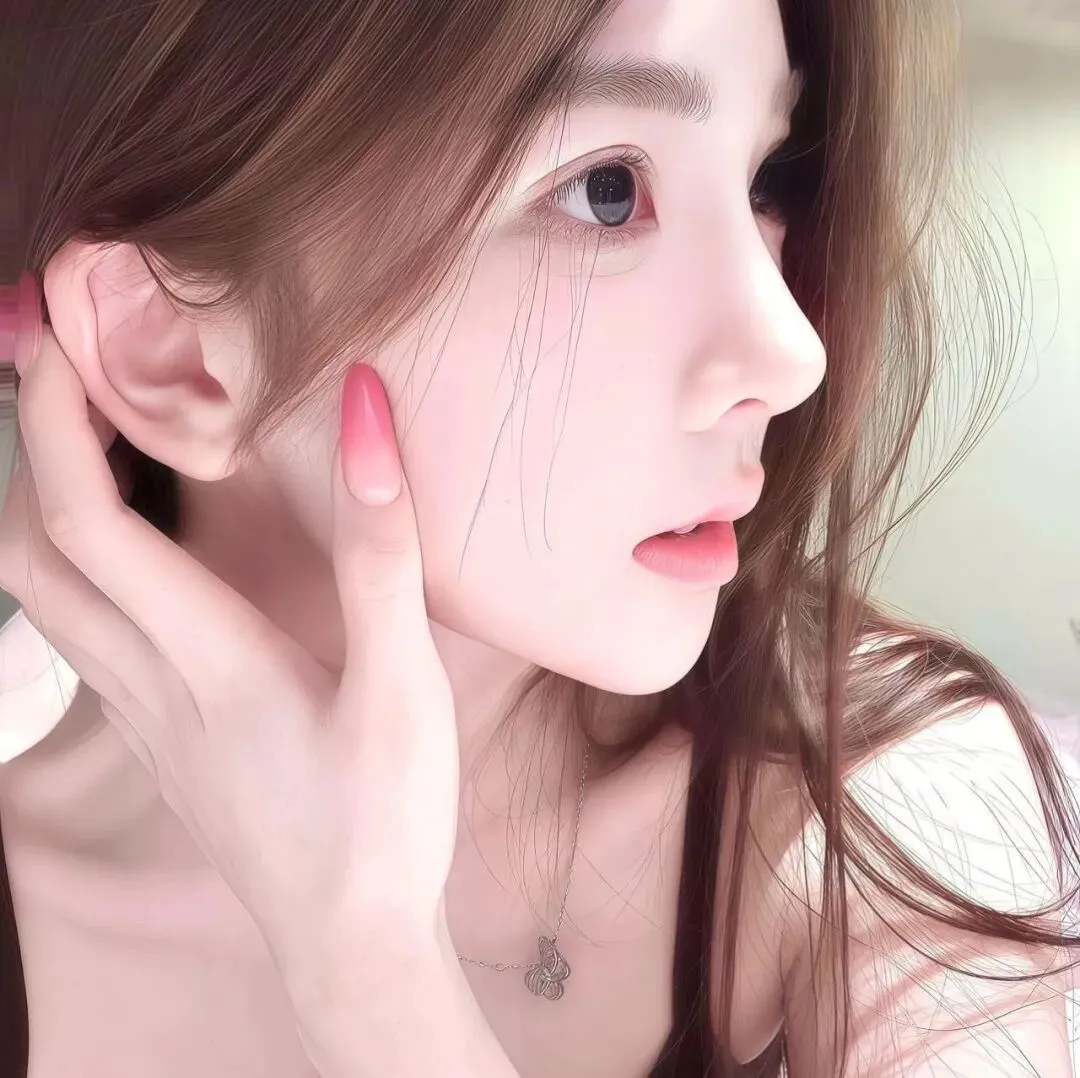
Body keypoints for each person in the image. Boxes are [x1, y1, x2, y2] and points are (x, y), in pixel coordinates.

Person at [0, 0, 1076, 1075]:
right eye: (606, 191)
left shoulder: (885, 809)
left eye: (765, 180)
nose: (791, 352)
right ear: (167, 342)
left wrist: (373, 981)